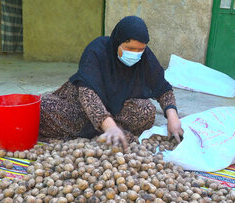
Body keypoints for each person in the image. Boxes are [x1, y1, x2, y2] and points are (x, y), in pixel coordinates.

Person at [39, 16, 183, 148]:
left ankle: (106, 132)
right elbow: (87, 93)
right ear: (117, 42)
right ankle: (110, 130)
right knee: (44, 107)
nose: (135, 53)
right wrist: (110, 126)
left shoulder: (145, 56)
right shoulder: (97, 50)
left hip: (117, 106)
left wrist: (173, 117)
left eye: (140, 49)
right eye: (130, 48)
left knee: (146, 111)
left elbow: (163, 88)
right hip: (80, 107)